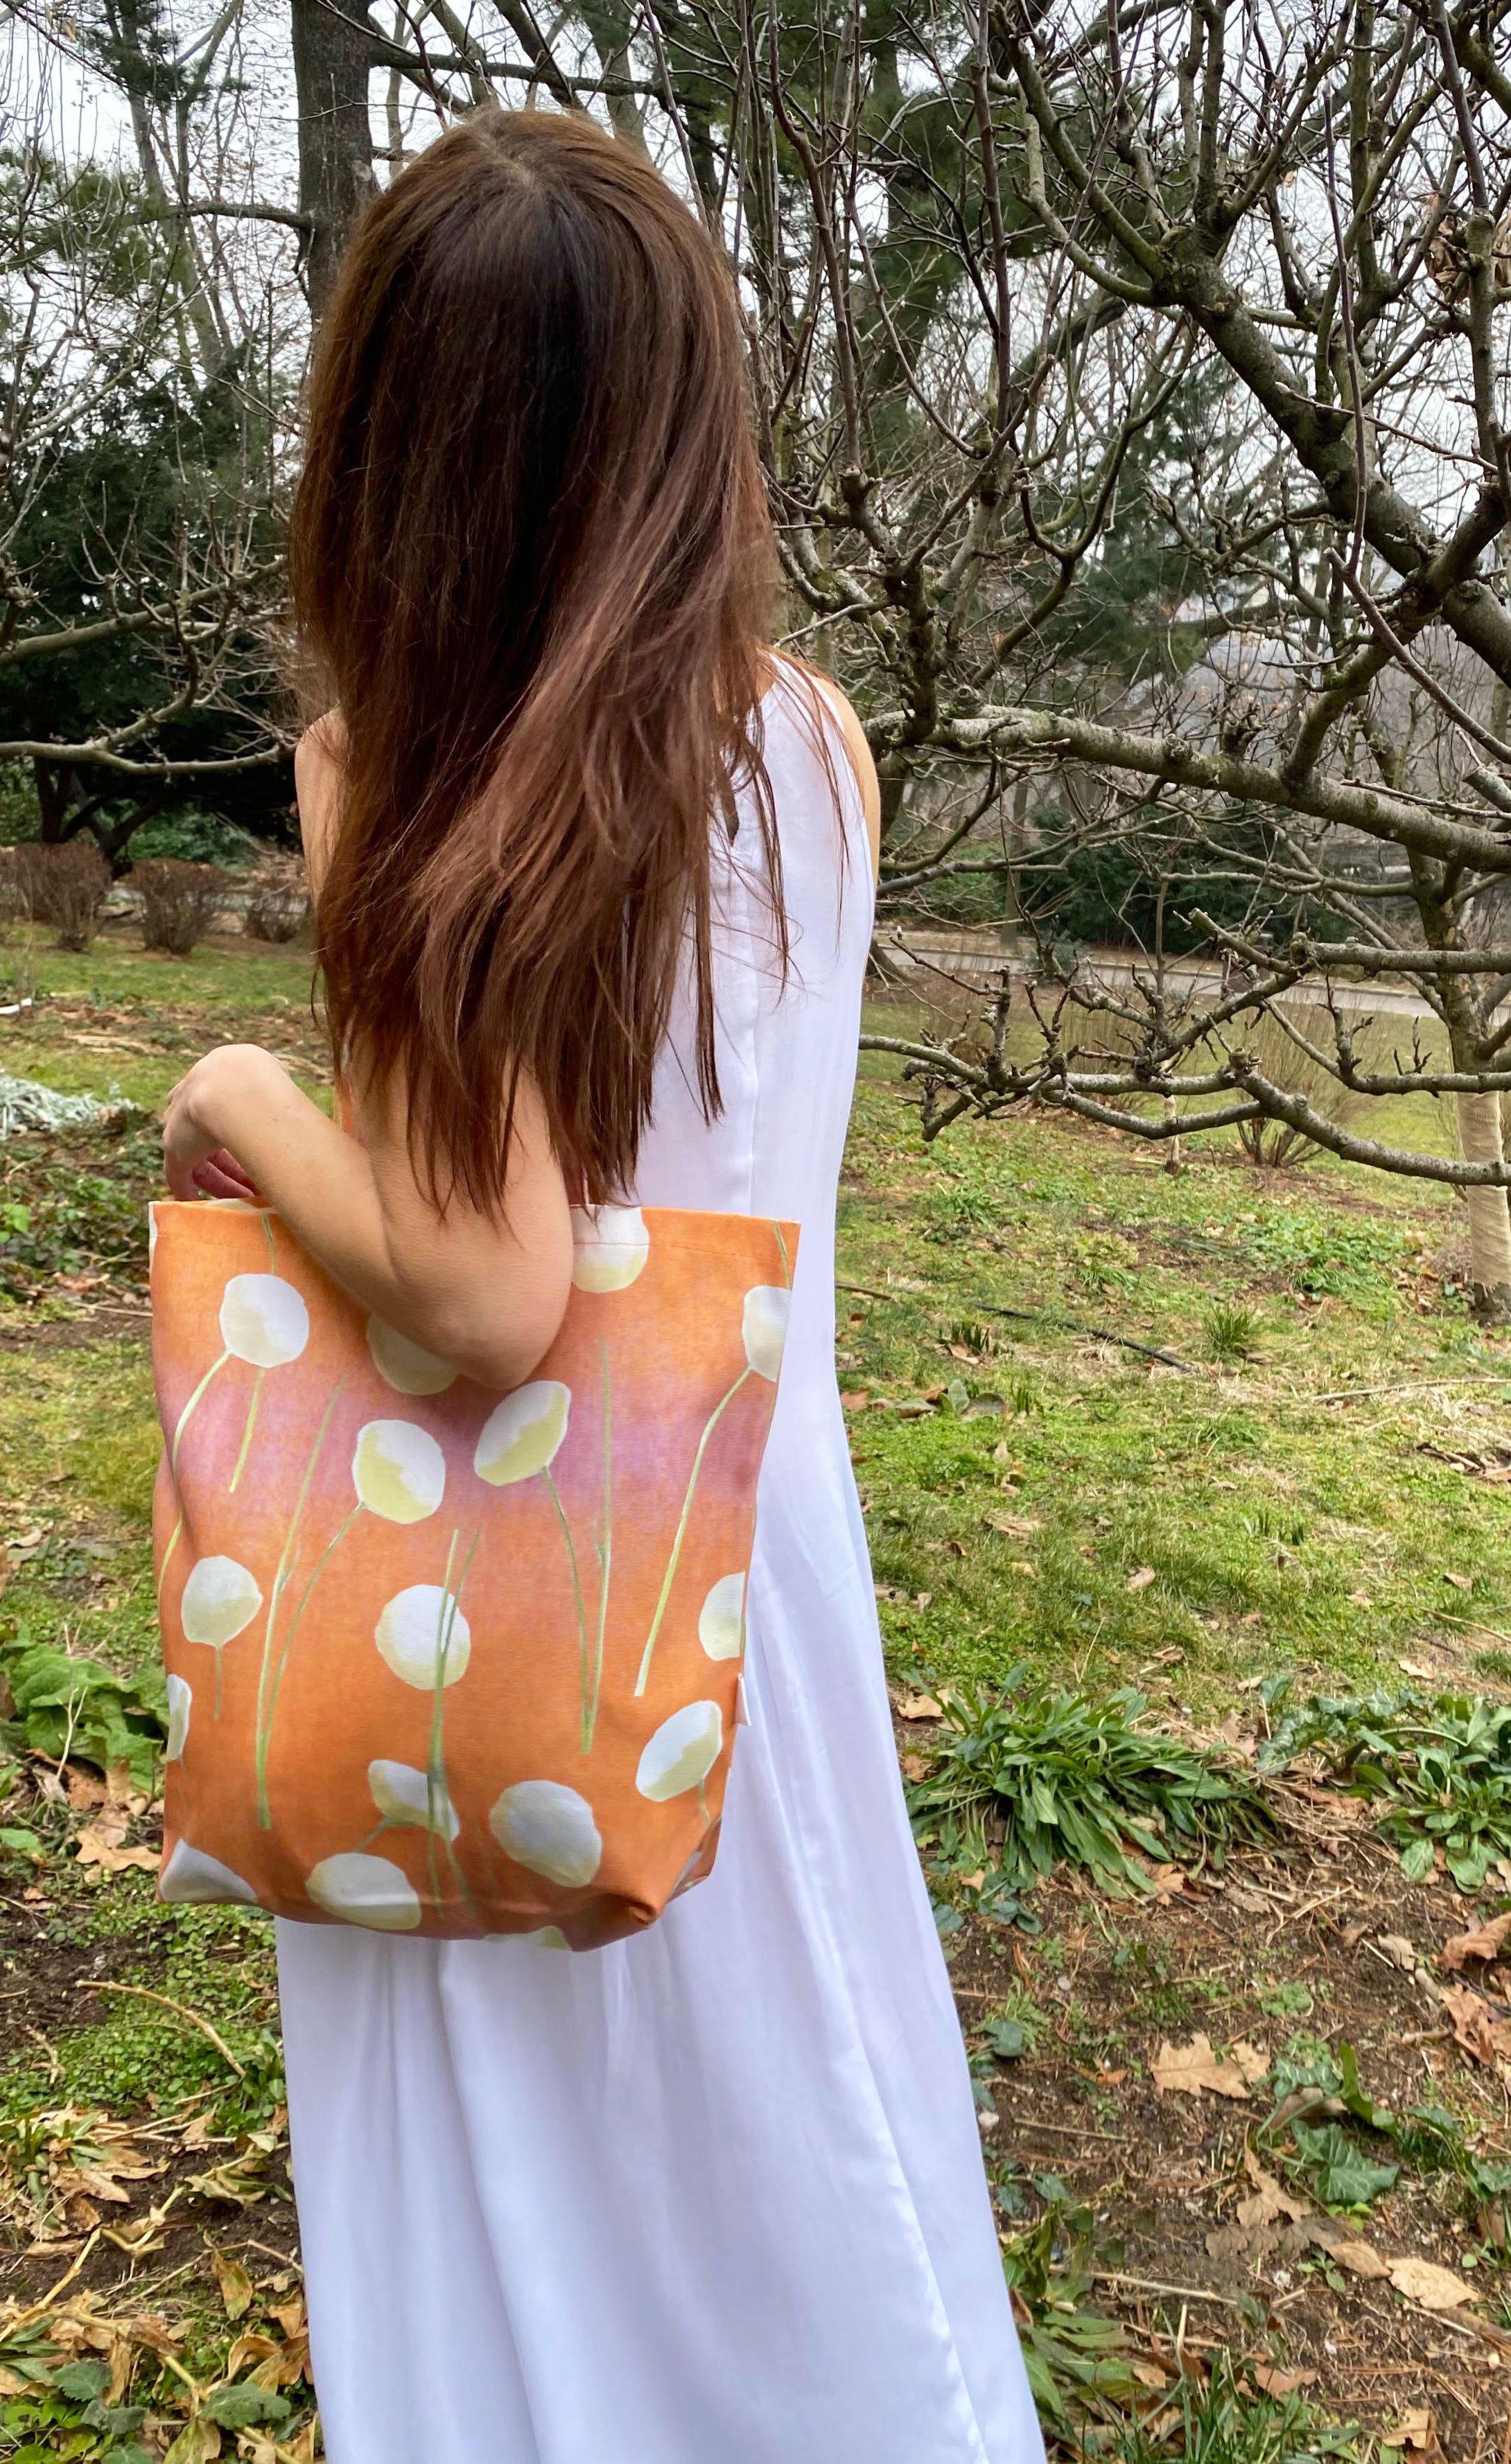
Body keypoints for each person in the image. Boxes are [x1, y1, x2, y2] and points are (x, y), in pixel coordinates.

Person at [161, 107, 1044, 2464]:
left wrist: (251, 1089)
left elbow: (481, 1282)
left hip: (477, 1625)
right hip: (747, 1588)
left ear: (391, 457)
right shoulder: (812, 748)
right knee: (805, 2155)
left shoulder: (411, 782)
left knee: (515, 2239)